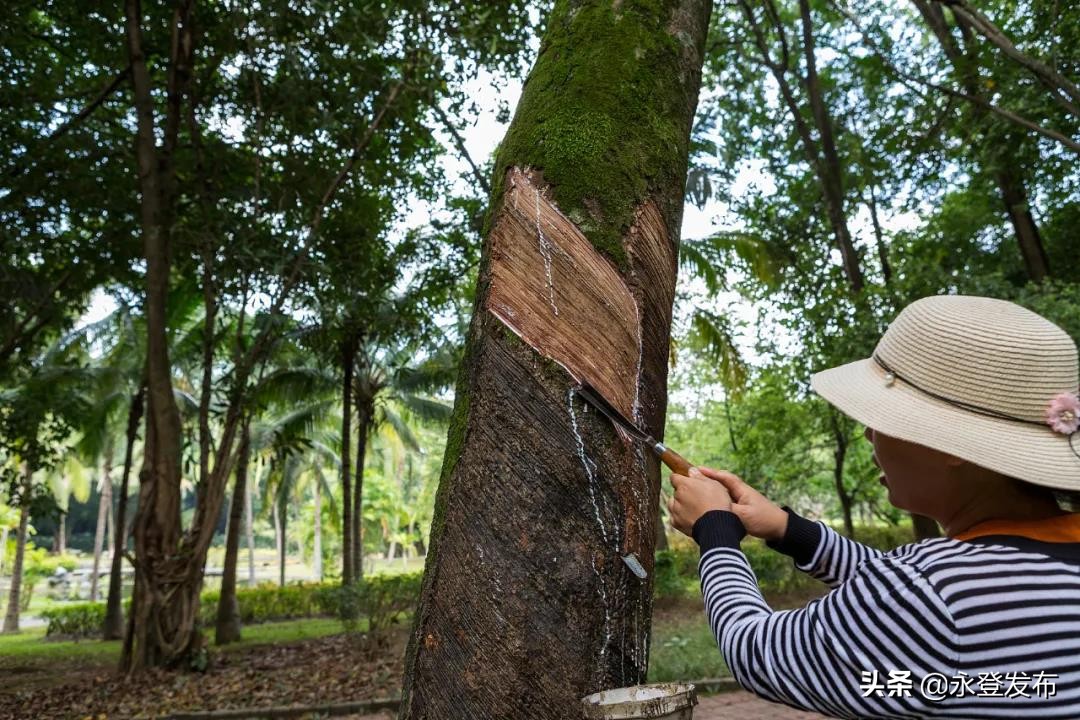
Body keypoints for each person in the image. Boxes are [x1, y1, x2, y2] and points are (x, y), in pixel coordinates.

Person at [667, 294, 1080, 719]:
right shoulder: (1005, 572)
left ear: (949, 445)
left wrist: (714, 531)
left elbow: (759, 652)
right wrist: (790, 530)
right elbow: (908, 591)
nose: (868, 435)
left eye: (882, 419)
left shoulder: (934, 592)